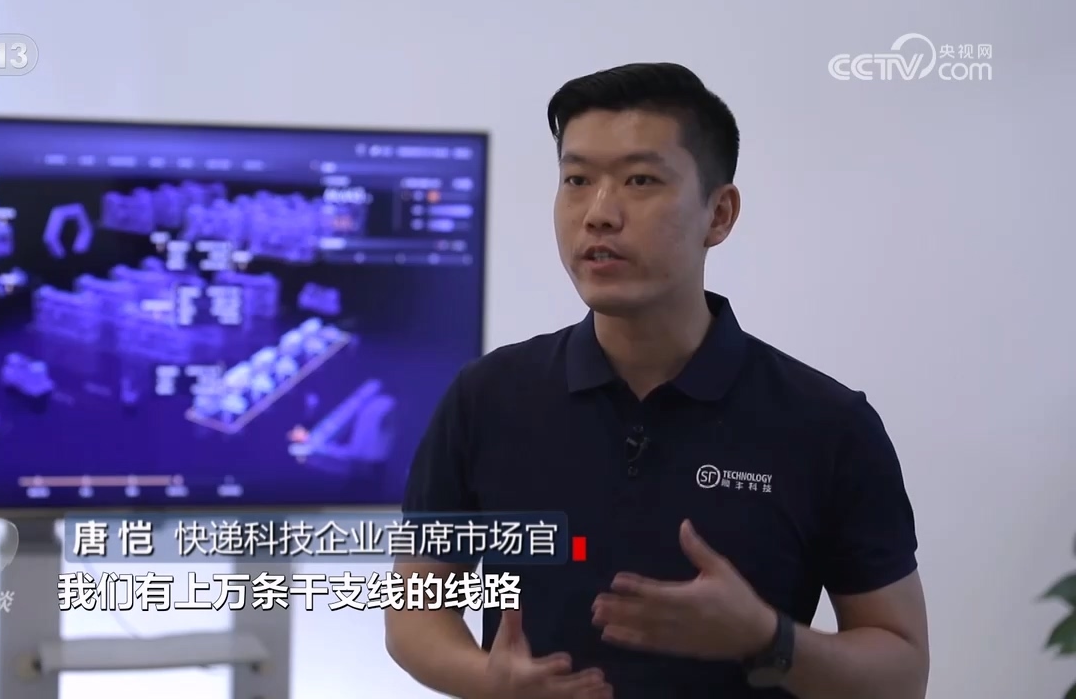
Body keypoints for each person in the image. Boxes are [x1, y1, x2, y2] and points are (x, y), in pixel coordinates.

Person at [383, 62, 929, 698]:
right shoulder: (487, 397)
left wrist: (766, 637)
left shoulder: (827, 424)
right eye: (577, 180)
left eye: (640, 180)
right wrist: (492, 681)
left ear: (719, 214)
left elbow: (901, 673)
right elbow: (414, 611)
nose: (599, 213)